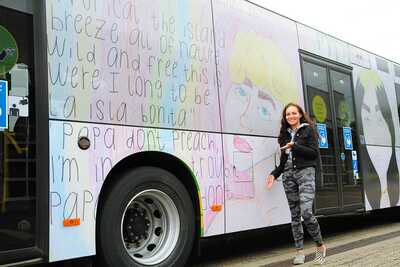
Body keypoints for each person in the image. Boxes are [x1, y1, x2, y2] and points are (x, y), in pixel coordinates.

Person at [266, 103, 327, 265]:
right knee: (295, 216)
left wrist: (295, 146)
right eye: (288, 114)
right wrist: (274, 174)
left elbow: (313, 154)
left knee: (306, 212)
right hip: (288, 176)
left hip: (306, 173)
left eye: (294, 113)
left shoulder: (308, 130)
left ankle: (320, 245)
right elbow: (283, 161)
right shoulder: (284, 135)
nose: (291, 116)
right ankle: (300, 252)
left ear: (300, 114)